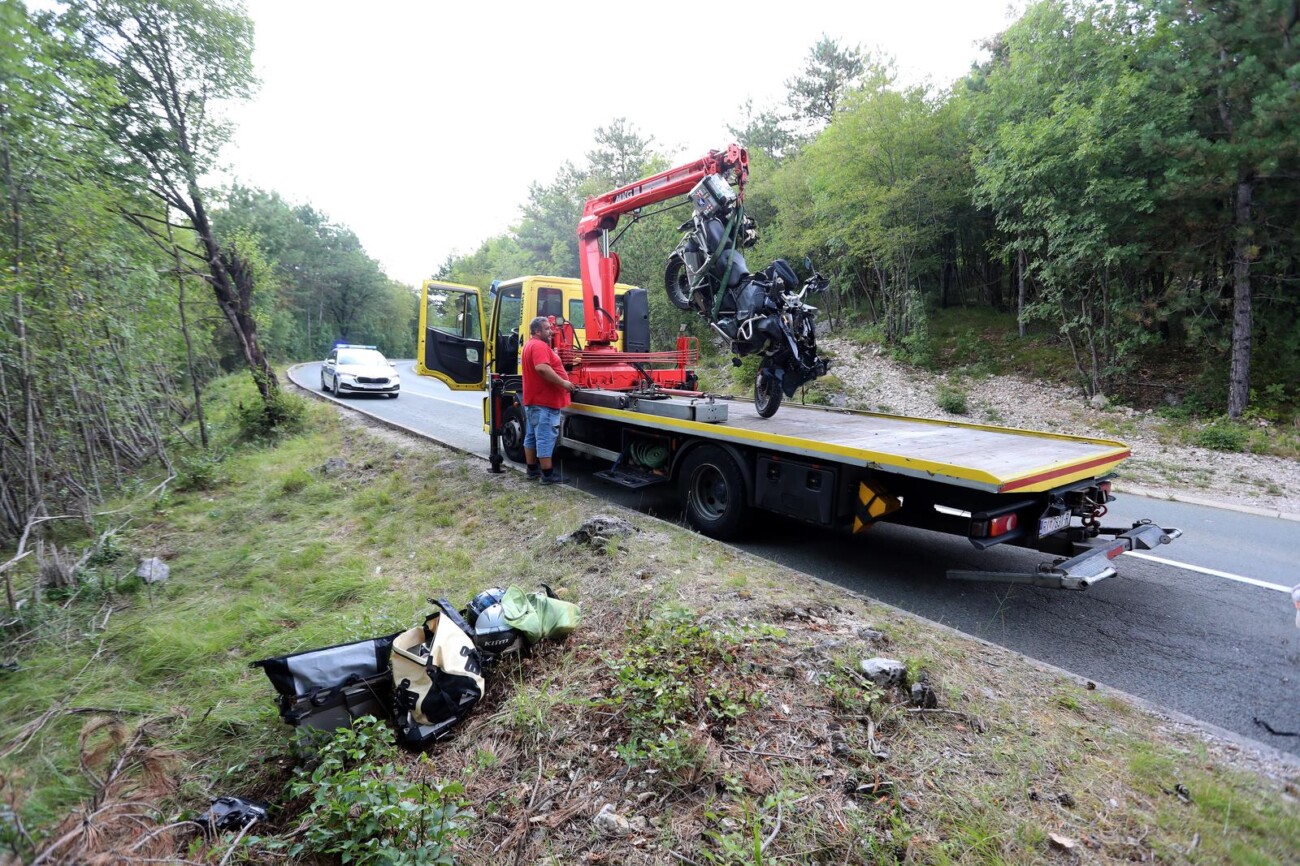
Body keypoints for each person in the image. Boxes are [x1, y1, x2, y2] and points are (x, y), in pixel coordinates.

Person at [521, 315, 578, 484]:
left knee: (531, 436)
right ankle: (547, 475)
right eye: (547, 329)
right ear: (537, 331)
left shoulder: (529, 345)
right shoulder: (539, 346)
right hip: (544, 401)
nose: (551, 331)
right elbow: (542, 368)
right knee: (545, 437)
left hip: (534, 401)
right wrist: (563, 383)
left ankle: (532, 471)